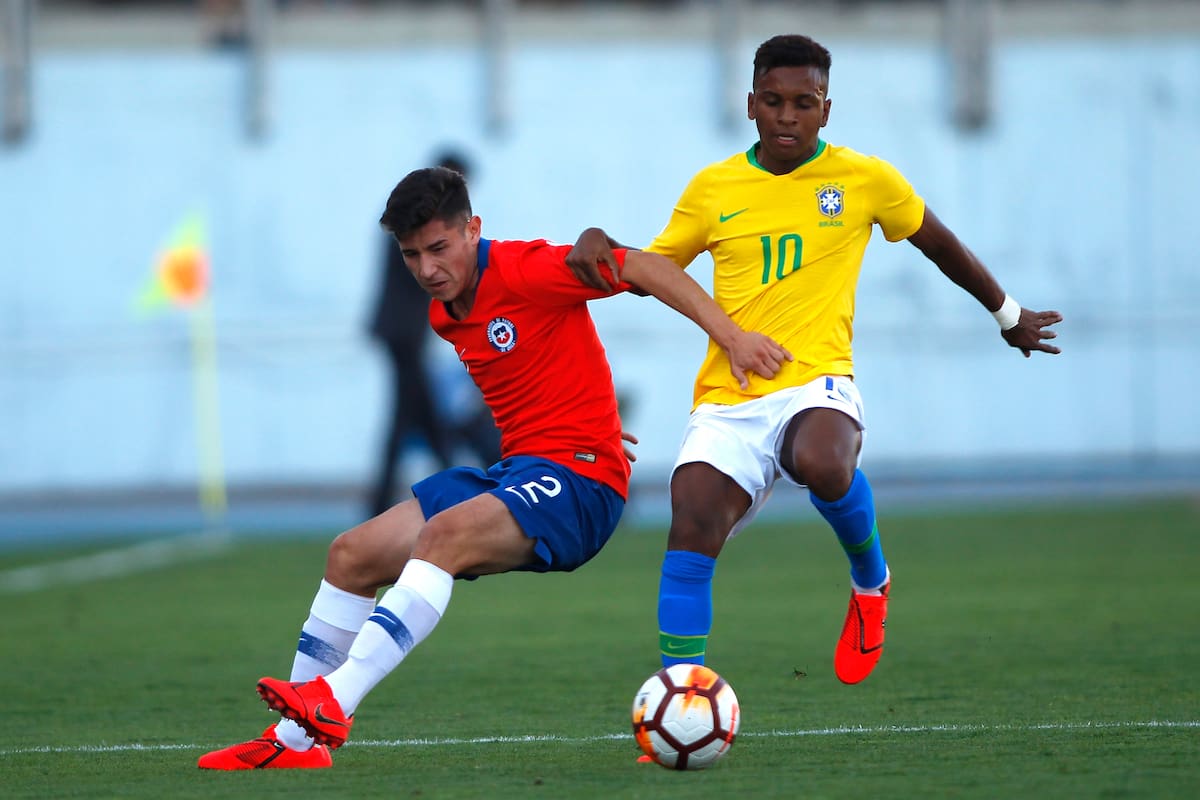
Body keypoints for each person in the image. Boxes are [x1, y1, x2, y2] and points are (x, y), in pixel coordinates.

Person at [198, 166, 790, 770]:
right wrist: (593, 417)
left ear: (473, 229)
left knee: (443, 537)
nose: (427, 268)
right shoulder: (444, 313)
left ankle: (333, 700)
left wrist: (733, 337)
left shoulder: (525, 269)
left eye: (439, 247)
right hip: (521, 470)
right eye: (410, 255)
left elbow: (647, 268)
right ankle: (294, 746)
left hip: (580, 485)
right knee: (351, 554)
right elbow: (538, 368)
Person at [566, 34, 1063, 687]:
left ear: (827, 110)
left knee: (824, 462)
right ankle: (681, 698)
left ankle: (870, 580)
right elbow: (654, 272)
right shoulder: (714, 189)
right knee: (689, 520)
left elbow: (939, 244)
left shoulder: (864, 179)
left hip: (816, 382)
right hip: (728, 396)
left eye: (805, 102)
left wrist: (1006, 313)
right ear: (751, 104)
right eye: (773, 101)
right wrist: (602, 245)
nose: (788, 116)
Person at [365, 150, 500, 518]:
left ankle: (446, 490)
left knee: (410, 420)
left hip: (402, 332)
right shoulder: (418, 222)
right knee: (428, 420)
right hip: (404, 333)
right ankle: (462, 489)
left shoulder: (414, 219)